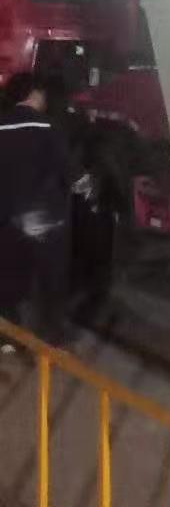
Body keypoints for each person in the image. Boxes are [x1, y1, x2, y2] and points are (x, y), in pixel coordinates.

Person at [0, 73, 72, 345]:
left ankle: (7, 338)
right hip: (44, 220)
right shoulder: (48, 127)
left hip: (6, 219)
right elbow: (67, 171)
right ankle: (52, 338)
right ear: (34, 94)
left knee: (7, 279)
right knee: (50, 281)